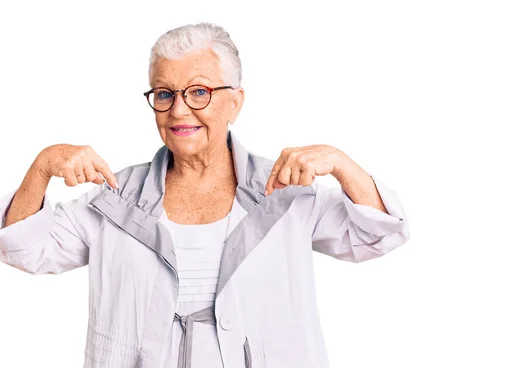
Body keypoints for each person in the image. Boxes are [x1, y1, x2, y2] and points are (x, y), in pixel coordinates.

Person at [0, 22, 410, 368]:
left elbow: (378, 236)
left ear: (236, 102)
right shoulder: (114, 198)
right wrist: (43, 165)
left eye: (199, 92)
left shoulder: (286, 191)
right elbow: (23, 249)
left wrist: (341, 164)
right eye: (164, 94)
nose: (179, 111)